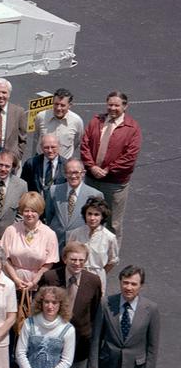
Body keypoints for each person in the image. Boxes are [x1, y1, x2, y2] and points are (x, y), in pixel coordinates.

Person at [39, 242, 103, 368]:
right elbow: (39, 307)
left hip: (79, 345)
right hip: (50, 343)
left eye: (81, 260)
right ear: (65, 258)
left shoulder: (93, 281)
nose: (77, 264)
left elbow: (95, 313)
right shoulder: (50, 277)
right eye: (73, 259)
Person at [80, 90, 140, 240]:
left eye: (116, 105)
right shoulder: (96, 122)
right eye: (110, 105)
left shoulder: (132, 128)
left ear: (125, 106)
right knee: (89, 218)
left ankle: (111, 254)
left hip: (114, 185)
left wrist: (108, 169)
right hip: (91, 179)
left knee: (113, 224)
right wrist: (92, 166)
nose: (112, 108)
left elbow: (130, 157)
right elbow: (85, 145)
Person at [2, 191, 60, 321]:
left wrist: (33, 282)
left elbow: (49, 263)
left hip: (37, 286)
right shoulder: (11, 230)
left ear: (40, 212)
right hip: (12, 283)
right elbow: (5, 258)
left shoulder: (49, 234)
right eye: (26, 210)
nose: (29, 214)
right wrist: (16, 279)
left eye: (33, 211)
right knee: (11, 321)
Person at [67, 197, 120, 290]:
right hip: (76, 275)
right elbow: (68, 254)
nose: (92, 218)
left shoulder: (109, 237)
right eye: (89, 214)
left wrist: (100, 273)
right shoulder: (75, 233)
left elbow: (112, 261)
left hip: (97, 277)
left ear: (102, 216)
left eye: (96, 215)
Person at [44, 159, 97, 250]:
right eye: (69, 173)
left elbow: (97, 224)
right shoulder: (54, 191)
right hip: (56, 243)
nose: (73, 176)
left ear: (83, 173)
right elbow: (49, 215)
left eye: (76, 172)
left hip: (80, 246)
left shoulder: (94, 195)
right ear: (65, 174)